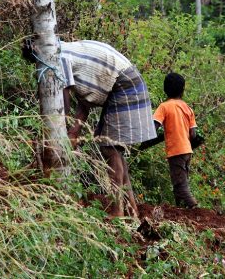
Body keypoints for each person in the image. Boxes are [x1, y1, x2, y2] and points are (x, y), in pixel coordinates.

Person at [22, 39, 156, 218]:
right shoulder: (62, 52)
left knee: (109, 148)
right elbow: (84, 104)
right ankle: (131, 209)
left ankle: (118, 210)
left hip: (123, 83)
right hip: (124, 80)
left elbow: (65, 101)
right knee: (114, 149)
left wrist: (64, 129)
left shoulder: (58, 58)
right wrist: (73, 132)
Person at [140, 72, 200, 209]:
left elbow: (154, 127)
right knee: (179, 181)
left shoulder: (164, 107)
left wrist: (143, 141)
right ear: (183, 90)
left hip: (176, 151)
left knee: (180, 185)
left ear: (165, 89)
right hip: (187, 151)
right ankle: (181, 211)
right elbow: (194, 134)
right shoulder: (187, 108)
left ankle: (195, 209)